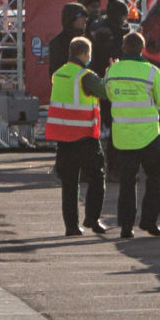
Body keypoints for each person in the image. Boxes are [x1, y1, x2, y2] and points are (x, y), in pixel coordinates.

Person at [102, 32, 160, 239]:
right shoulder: (152, 72)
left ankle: (126, 227)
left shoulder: (112, 71)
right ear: (142, 49)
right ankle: (149, 222)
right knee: (155, 178)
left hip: (123, 136)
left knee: (126, 182)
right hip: (149, 135)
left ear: (123, 48)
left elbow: (108, 94)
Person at [45, 35, 109, 236]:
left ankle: (71, 227)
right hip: (84, 136)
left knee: (69, 184)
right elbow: (105, 91)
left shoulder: (59, 74)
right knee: (97, 178)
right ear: (84, 54)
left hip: (63, 138)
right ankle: (92, 218)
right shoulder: (85, 76)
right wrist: (110, 72)